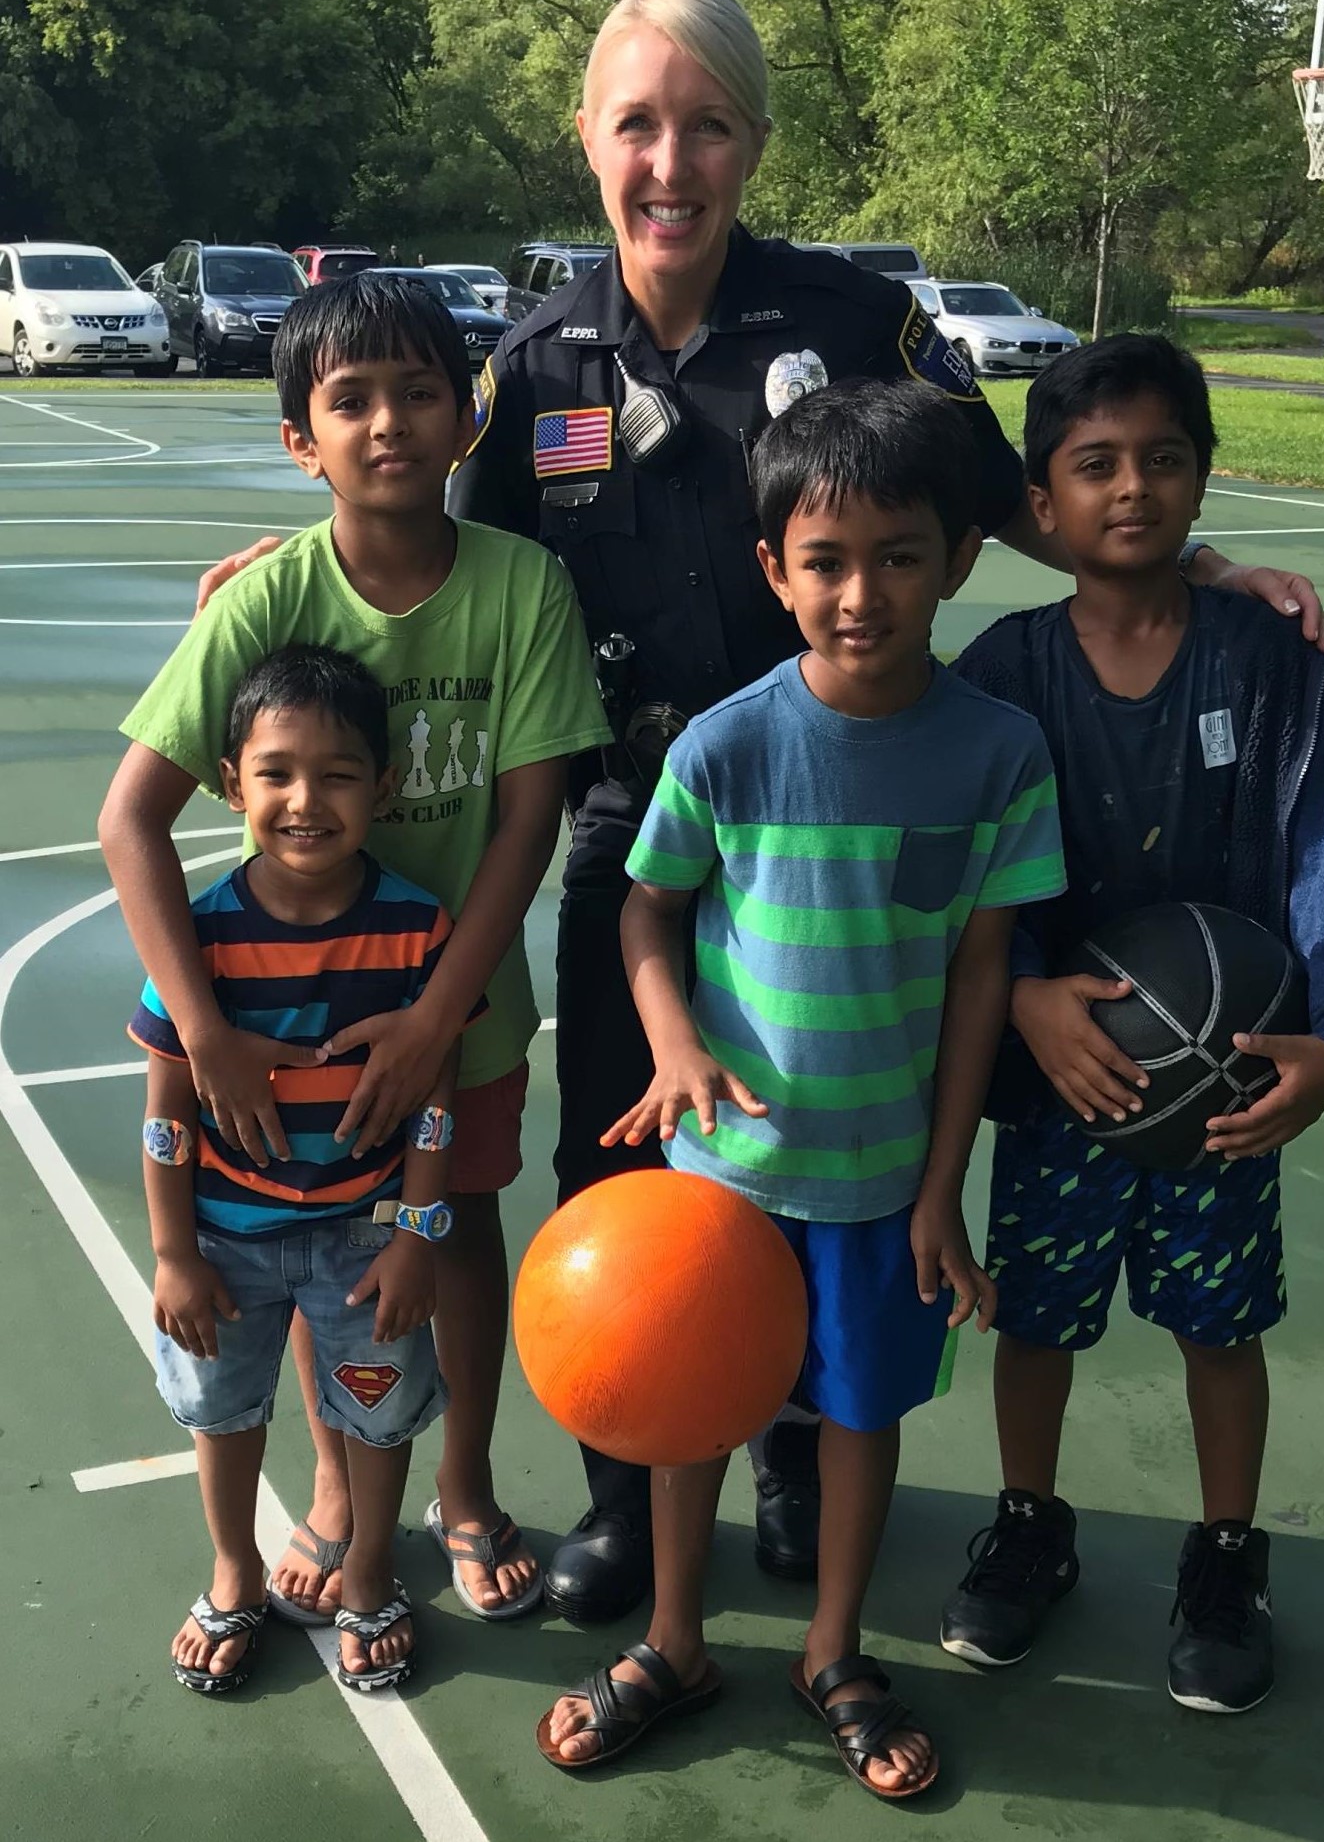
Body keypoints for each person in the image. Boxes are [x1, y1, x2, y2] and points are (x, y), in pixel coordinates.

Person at [193, 0, 1324, 1622]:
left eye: (707, 124)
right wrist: (288, 572)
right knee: (624, 1159)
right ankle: (622, 1464)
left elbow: (984, 484)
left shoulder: (851, 327)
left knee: (818, 1150)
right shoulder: (536, 359)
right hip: (635, 824)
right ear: (587, 140)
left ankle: (794, 1448)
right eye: (638, 124)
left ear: (753, 143)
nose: (673, 159)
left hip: (834, 818)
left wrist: (1198, 561)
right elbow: (425, 522)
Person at [536, 376, 1064, 1795]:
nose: (861, 592)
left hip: (883, 1174)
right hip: (719, 1169)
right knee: (691, 1405)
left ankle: (832, 1649)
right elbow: (645, 911)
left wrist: (940, 1186)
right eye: (823, 560)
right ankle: (672, 1636)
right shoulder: (726, 740)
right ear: (772, 570)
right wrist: (673, 1046)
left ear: (959, 558)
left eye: (899, 556)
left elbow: (977, 974)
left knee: (855, 1416)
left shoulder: (997, 751)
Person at [98, 274, 610, 1629]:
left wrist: (441, 1011)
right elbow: (130, 817)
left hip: (456, 1012)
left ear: (463, 419)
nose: (388, 421)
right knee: (319, 1243)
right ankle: (339, 1486)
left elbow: (527, 815)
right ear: (299, 439)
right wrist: (205, 1030)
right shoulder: (268, 599)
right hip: (279, 1028)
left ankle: (464, 1484)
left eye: (420, 392)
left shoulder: (524, 587)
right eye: (350, 399)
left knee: (445, 1238)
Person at [942, 335, 1324, 1715]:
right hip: (1060, 1083)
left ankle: (1222, 1556)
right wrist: (1021, 988)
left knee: (1218, 1328)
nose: (1129, 488)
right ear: (1041, 497)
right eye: (1093, 465)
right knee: (1035, 1321)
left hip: (1224, 1083)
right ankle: (1029, 1521)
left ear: (1200, 479)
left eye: (1160, 459)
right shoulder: (1003, 670)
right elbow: (963, 879)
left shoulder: (1268, 664)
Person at [131, 644, 463, 1695]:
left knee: (378, 1411)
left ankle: (368, 1572)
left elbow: (436, 1108)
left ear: (386, 784)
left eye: (337, 773)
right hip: (228, 1240)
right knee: (225, 1412)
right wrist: (175, 1252)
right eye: (275, 772)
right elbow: (166, 1116)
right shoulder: (199, 935)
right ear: (231, 782)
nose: (304, 800)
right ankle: (233, 1568)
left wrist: (419, 1240)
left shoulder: (417, 927)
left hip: (368, 1238)